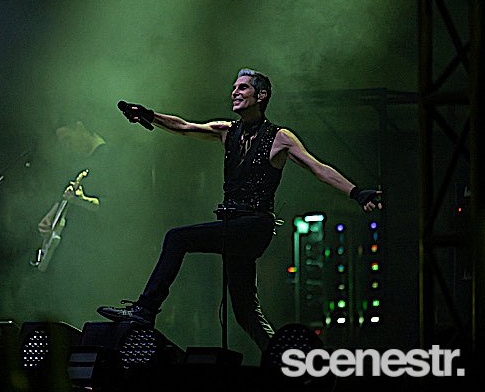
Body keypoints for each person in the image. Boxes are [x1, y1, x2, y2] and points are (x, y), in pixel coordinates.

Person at [97, 68, 382, 351]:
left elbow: (318, 168)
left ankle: (146, 309)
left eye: (242, 87)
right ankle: (282, 359)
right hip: (233, 226)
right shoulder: (227, 131)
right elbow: (184, 126)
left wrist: (357, 193)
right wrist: (149, 115)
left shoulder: (280, 137)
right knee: (245, 311)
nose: (234, 92)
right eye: (234, 87)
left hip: (254, 225)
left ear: (261, 95)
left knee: (177, 238)